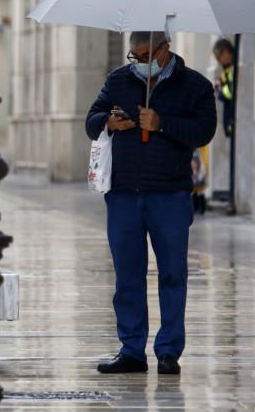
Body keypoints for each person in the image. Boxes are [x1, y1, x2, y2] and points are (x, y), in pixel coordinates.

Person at [85, 31, 217, 375]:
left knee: (173, 273)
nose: (139, 63)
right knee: (127, 276)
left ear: (164, 50)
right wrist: (108, 123)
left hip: (170, 194)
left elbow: (204, 131)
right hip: (124, 193)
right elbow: (92, 119)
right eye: (135, 57)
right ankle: (131, 350)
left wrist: (161, 124)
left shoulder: (195, 86)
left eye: (145, 56)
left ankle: (169, 350)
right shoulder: (117, 80)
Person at [212, 38, 235, 138]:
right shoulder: (227, 69)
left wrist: (220, 89)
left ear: (226, 52)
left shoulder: (233, 69)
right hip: (229, 118)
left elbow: (230, 93)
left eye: (218, 57)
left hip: (233, 119)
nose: (218, 61)